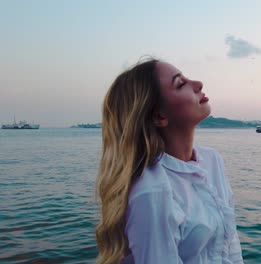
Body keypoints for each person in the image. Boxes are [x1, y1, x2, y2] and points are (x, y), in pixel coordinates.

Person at [95, 58, 244, 264]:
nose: (198, 84)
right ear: (159, 116)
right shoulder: (153, 193)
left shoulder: (212, 161)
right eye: (180, 84)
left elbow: (232, 245)